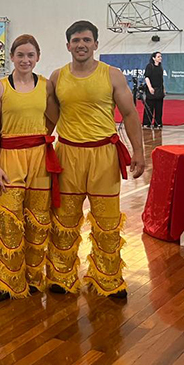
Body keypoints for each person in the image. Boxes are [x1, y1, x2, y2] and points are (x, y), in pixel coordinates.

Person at [47, 21, 145, 299]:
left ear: (96, 44)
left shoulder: (112, 75)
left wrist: (139, 152)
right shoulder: (57, 77)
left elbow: (129, 114)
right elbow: (49, 119)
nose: (81, 44)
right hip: (68, 154)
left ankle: (109, 277)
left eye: (86, 40)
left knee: (106, 220)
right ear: (68, 45)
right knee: (64, 220)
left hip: (103, 154)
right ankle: (61, 276)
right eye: (76, 40)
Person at [0, 35, 60, 302]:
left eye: (30, 55)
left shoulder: (47, 86)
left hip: (39, 158)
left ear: (37, 57)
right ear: (12, 57)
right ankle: (5, 282)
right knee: (8, 219)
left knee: (39, 221)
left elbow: (53, 119)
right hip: (9, 157)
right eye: (20, 55)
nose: (25, 60)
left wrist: (40, 138)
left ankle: (33, 278)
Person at [143, 52, 165, 129]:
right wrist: (150, 87)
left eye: (160, 56)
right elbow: (147, 77)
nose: (160, 58)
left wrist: (163, 89)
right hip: (151, 89)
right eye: (158, 56)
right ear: (153, 58)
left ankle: (158, 123)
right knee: (149, 107)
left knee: (159, 108)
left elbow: (161, 80)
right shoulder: (149, 66)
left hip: (159, 89)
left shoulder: (160, 67)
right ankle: (146, 123)